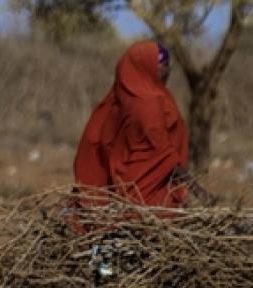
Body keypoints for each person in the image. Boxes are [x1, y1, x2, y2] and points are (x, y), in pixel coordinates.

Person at [74, 41, 213, 208]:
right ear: (148, 66)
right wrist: (197, 189)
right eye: (165, 66)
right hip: (147, 193)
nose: (168, 71)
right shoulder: (148, 104)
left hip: (124, 188)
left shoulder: (122, 99)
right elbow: (162, 153)